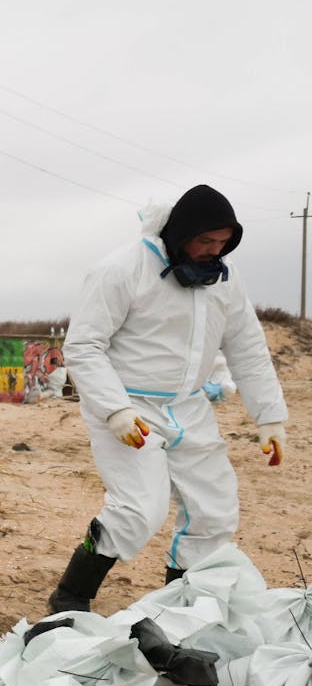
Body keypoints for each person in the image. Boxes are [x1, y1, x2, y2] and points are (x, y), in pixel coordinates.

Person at [49, 184, 289, 613]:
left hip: (189, 407)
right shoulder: (123, 269)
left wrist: (270, 418)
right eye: (205, 241)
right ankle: (71, 595)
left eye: (223, 243)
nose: (214, 252)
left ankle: (180, 608)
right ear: (181, 234)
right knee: (141, 509)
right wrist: (114, 409)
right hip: (129, 408)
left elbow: (247, 348)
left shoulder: (226, 282)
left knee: (214, 511)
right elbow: (83, 346)